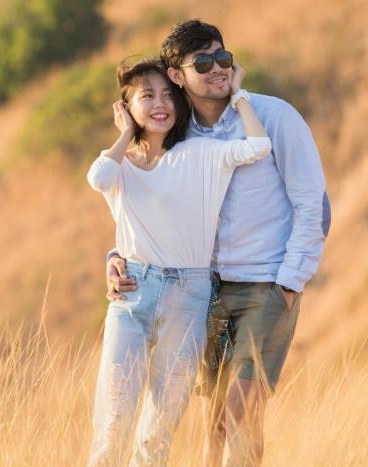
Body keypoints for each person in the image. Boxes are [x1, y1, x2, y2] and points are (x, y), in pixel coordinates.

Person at [106, 20, 331, 466]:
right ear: (177, 75)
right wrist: (116, 256)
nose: (218, 69)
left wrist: (290, 282)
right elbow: (144, 208)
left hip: (266, 286)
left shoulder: (273, 117)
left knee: (237, 411)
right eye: (203, 63)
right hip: (202, 292)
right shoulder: (176, 134)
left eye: (223, 58)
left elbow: (314, 206)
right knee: (217, 424)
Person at [87, 56, 272, 466]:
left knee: (157, 432)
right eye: (147, 96)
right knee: (113, 423)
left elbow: (258, 146)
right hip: (133, 293)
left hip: (188, 296)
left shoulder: (198, 153)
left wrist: (238, 93)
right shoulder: (119, 165)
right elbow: (98, 179)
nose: (160, 104)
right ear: (126, 107)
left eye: (168, 95)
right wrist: (126, 134)